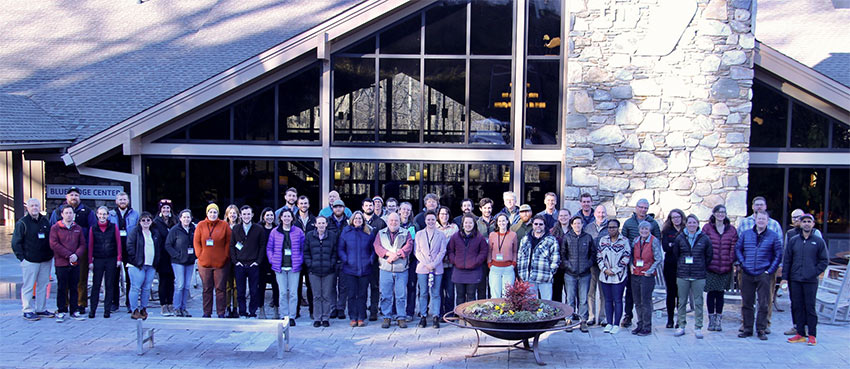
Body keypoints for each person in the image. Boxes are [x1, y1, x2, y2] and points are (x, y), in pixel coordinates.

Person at [736, 196, 784, 334]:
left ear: (767, 220)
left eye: (763, 219)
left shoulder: (774, 232)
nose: (761, 220)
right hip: (747, 271)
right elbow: (738, 248)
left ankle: (762, 328)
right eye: (756, 205)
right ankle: (747, 327)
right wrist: (742, 263)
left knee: (764, 302)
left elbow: (778, 252)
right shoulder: (746, 230)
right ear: (754, 220)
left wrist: (771, 270)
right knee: (747, 302)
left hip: (765, 272)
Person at [49, 187, 96, 315]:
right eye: (71, 195)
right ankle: (63, 306)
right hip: (62, 255)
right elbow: (53, 237)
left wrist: (79, 252)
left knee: (80, 279)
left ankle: (80, 304)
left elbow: (92, 231)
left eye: (76, 195)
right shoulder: (57, 212)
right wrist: (67, 253)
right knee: (63, 282)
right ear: (66, 197)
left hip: (80, 252)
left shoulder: (87, 211)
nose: (74, 197)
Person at [784, 214, 828, 346]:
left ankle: (812, 335)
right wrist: (785, 278)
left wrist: (813, 272)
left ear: (813, 224)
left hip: (810, 281)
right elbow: (787, 260)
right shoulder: (794, 240)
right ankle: (800, 333)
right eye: (804, 222)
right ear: (800, 224)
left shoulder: (818, 241)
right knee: (797, 306)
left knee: (809, 307)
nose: (807, 224)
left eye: (809, 221)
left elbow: (824, 260)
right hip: (795, 280)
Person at [12, 198, 54, 321]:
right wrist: (22, 258)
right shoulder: (22, 223)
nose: (34, 208)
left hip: (45, 260)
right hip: (30, 261)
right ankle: (27, 309)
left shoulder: (45, 221)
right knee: (29, 286)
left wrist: (50, 254)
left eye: (36, 205)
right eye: (32, 206)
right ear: (27, 208)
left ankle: (40, 308)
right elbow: (16, 242)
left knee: (43, 285)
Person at [620, 198, 660, 328]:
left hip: (647, 267)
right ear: (636, 207)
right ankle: (629, 317)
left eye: (645, 208)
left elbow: (657, 243)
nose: (643, 210)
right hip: (633, 265)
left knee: (645, 298)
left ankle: (646, 324)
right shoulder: (629, 223)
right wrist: (629, 263)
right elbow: (624, 241)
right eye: (641, 207)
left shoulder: (653, 223)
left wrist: (650, 269)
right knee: (632, 294)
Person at [673, 214, 713, 339]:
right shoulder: (680, 238)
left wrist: (700, 265)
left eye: (694, 222)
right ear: (686, 224)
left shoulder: (704, 238)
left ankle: (698, 327)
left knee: (699, 302)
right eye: (689, 222)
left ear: (697, 224)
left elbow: (709, 255)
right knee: (682, 302)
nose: (691, 225)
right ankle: (681, 325)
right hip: (683, 274)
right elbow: (676, 254)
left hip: (698, 275)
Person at [374, 212, 414, 328]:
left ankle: (401, 317)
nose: (393, 222)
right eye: (391, 220)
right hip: (385, 268)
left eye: (396, 220)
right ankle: (387, 317)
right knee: (386, 294)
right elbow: (377, 246)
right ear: (387, 221)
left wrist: (397, 255)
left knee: (401, 295)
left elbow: (409, 246)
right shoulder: (380, 233)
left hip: (401, 269)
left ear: (399, 221)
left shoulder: (405, 233)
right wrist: (387, 254)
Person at [267, 210, 305, 326]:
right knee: (282, 292)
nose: (287, 218)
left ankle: (292, 316)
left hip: (294, 267)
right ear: (281, 218)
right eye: (285, 216)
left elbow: (303, 248)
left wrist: (300, 259)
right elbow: (269, 248)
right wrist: (272, 260)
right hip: (280, 267)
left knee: (293, 293)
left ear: (292, 218)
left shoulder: (298, 232)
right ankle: (284, 315)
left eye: (289, 216)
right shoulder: (275, 232)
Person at [49, 204, 87, 322]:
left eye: (71, 213)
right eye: (66, 213)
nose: (69, 215)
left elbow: (82, 244)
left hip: (75, 263)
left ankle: (74, 310)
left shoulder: (77, 228)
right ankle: (61, 310)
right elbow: (54, 244)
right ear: (62, 214)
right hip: (61, 263)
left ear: (74, 214)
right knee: (62, 287)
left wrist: (76, 255)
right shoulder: (56, 228)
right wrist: (68, 255)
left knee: (74, 287)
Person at [193, 203, 232, 318]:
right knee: (206, 288)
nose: (212, 214)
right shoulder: (201, 225)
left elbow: (228, 242)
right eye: (210, 212)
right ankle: (207, 312)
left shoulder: (224, 225)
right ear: (207, 213)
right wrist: (199, 255)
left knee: (220, 288)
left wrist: (225, 256)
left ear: (218, 213)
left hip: (220, 263)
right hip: (204, 263)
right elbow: (196, 241)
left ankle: (221, 312)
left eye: (215, 212)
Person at [702, 205, 737, 332]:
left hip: (725, 266)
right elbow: (703, 244)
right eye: (718, 212)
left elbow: (734, 246)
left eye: (723, 212)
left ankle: (718, 320)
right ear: (714, 214)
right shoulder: (707, 228)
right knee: (711, 293)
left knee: (720, 294)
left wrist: (730, 259)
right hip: (711, 266)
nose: (721, 214)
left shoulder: (731, 230)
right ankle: (711, 320)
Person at [338, 210, 374, 327]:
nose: (358, 220)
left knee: (362, 294)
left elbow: (373, 249)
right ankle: (353, 317)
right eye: (356, 218)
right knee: (352, 294)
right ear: (352, 220)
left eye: (360, 219)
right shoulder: (346, 232)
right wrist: (345, 259)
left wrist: (370, 260)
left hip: (365, 268)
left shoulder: (368, 232)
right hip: (350, 269)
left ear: (363, 220)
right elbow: (341, 248)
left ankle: (361, 317)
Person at [126, 212, 164, 320]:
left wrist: (156, 261)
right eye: (143, 220)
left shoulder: (155, 233)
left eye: (148, 220)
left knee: (147, 288)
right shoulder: (135, 232)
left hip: (150, 265)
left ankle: (143, 309)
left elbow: (158, 248)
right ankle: (134, 310)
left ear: (152, 221)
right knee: (135, 287)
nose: (146, 222)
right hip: (137, 265)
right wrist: (136, 261)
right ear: (139, 222)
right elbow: (129, 247)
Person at [303, 216, 339, 327]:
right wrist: (310, 264)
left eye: (323, 223)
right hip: (314, 271)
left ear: (326, 224)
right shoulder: (309, 236)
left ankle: (326, 317)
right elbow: (306, 252)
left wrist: (331, 264)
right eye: (319, 223)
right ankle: (317, 318)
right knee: (317, 295)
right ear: (315, 224)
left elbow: (334, 252)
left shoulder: (332, 236)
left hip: (329, 271)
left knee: (326, 295)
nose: (321, 225)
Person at [87, 206, 122, 319]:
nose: (102, 216)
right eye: (100, 214)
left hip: (111, 258)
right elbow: (90, 245)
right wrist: (90, 261)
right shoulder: (93, 228)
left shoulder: (113, 227)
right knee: (96, 285)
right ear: (97, 215)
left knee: (109, 284)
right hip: (98, 259)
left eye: (104, 214)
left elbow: (118, 243)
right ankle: (93, 309)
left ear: (108, 215)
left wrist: (118, 258)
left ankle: (107, 310)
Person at [561, 215, 595, 332]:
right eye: (575, 223)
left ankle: (583, 321)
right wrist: (569, 266)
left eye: (579, 223)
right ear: (571, 225)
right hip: (570, 274)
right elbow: (563, 255)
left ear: (582, 224)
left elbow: (593, 254)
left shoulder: (588, 238)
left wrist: (587, 265)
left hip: (585, 274)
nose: (577, 225)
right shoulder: (567, 237)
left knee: (583, 299)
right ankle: (568, 320)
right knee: (570, 298)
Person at [414, 210, 447, 328]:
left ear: (436, 220)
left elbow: (442, 251)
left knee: (436, 293)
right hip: (423, 267)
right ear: (425, 220)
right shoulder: (419, 234)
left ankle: (435, 316)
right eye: (428, 219)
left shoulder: (441, 234)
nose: (431, 222)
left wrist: (433, 264)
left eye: (433, 219)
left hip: (436, 268)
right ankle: (423, 316)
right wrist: (427, 263)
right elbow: (417, 251)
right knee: (423, 293)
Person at [629, 221, 663, 336]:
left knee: (645, 301)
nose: (644, 231)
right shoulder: (636, 240)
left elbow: (658, 258)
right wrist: (631, 265)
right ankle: (640, 323)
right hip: (636, 273)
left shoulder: (654, 241)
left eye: (646, 229)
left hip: (647, 275)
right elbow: (631, 255)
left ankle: (647, 326)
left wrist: (650, 270)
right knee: (637, 301)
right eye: (642, 229)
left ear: (649, 230)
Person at [230, 205, 265, 318]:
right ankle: (242, 311)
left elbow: (262, 246)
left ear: (252, 215)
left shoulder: (258, 229)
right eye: (244, 214)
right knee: (240, 291)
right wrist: (235, 261)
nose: (246, 216)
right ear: (240, 215)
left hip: (253, 264)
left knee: (254, 290)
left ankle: (252, 311)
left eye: (248, 214)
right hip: (240, 264)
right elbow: (232, 246)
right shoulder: (236, 229)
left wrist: (258, 261)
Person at [107, 191, 139, 313]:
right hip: (114, 249)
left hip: (129, 249)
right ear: (116, 201)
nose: (122, 202)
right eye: (120, 200)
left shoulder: (134, 214)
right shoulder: (111, 214)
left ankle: (130, 303)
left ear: (128, 201)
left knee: (130, 277)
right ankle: (114, 303)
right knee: (113, 277)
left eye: (124, 199)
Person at [597, 219, 630, 334]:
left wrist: (615, 270)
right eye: (610, 227)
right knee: (608, 300)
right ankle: (609, 322)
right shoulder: (603, 240)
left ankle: (616, 324)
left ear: (618, 228)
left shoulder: (624, 241)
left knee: (618, 300)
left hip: (619, 276)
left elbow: (626, 257)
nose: (611, 229)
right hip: (605, 276)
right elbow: (599, 256)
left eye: (614, 227)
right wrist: (604, 269)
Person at [448, 214, 489, 305]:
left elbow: (484, 251)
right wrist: (455, 261)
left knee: (471, 295)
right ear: (462, 224)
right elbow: (450, 250)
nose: (468, 225)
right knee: (460, 296)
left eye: (470, 223)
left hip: (473, 271)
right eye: (466, 223)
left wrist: (476, 262)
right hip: (459, 271)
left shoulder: (479, 237)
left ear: (474, 224)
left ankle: (470, 317)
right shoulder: (455, 236)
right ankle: (460, 317)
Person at [517, 215, 560, 300]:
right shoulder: (525, 239)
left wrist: (550, 273)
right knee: (530, 304)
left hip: (545, 277)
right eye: (536, 224)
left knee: (547, 304)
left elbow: (555, 259)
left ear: (544, 226)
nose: (538, 226)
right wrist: (521, 273)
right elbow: (520, 256)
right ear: (532, 225)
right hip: (529, 278)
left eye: (541, 224)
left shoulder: (551, 240)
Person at [164, 209, 196, 317]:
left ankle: (184, 308)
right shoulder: (175, 230)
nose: (186, 219)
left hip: (190, 261)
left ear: (191, 218)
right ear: (180, 218)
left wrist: (195, 255)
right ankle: (176, 308)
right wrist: (176, 255)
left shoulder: (193, 229)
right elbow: (168, 245)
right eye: (184, 217)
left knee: (187, 286)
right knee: (180, 285)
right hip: (178, 262)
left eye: (188, 217)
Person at [583, 205, 608, 326]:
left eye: (603, 212)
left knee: (603, 292)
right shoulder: (588, 227)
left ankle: (603, 317)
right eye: (599, 212)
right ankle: (591, 316)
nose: (601, 215)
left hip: (605, 265)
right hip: (592, 264)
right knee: (590, 291)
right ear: (594, 214)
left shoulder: (610, 228)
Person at [660, 208, 685, 328]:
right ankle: (670, 320)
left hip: (683, 266)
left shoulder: (686, 230)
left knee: (681, 293)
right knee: (671, 293)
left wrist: (673, 244)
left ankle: (680, 320)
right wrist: (677, 245)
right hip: (670, 265)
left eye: (678, 217)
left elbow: (687, 247)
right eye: (673, 217)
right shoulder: (666, 231)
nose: (676, 219)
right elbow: (666, 247)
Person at [362, 198, 385, 321]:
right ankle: (362, 309)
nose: (369, 207)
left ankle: (374, 311)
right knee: (362, 287)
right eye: (366, 205)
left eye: (370, 205)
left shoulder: (380, 222)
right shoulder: (358, 221)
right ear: (362, 207)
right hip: (361, 260)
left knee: (375, 287)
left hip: (376, 260)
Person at [153, 199, 177, 317]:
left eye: (168, 208)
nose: (166, 210)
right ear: (160, 209)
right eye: (164, 208)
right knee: (163, 281)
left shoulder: (175, 221)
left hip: (173, 255)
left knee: (171, 281)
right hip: (162, 256)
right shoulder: (156, 222)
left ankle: (170, 303)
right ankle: (163, 305)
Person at [292, 196, 315, 321]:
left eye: (305, 203)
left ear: (309, 204)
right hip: (297, 257)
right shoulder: (293, 220)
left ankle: (312, 311)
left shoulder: (314, 220)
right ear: (297, 205)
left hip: (310, 257)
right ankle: (295, 311)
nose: (303, 205)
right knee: (297, 286)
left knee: (311, 286)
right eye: (301, 203)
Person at [326, 199, 349, 319]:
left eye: (340, 207)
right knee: (331, 285)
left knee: (343, 286)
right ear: (332, 209)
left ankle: (341, 308)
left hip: (345, 258)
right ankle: (333, 308)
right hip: (331, 258)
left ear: (344, 208)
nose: (338, 209)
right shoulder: (327, 222)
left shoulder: (348, 222)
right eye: (336, 207)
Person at [487, 213, 518, 298]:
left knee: (507, 295)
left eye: (503, 220)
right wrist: (489, 264)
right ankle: (496, 311)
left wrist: (513, 264)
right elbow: (489, 251)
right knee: (495, 294)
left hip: (508, 268)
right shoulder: (492, 235)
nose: (502, 223)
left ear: (507, 221)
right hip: (495, 268)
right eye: (499, 221)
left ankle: (507, 311)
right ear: (497, 223)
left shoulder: (513, 235)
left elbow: (515, 251)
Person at [257, 208, 280, 319]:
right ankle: (261, 309)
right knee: (261, 286)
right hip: (262, 262)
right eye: (267, 215)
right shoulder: (258, 228)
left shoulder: (277, 229)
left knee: (276, 287)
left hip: (274, 262)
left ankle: (276, 309)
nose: (270, 217)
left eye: (271, 215)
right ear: (263, 216)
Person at [438, 207, 460, 315]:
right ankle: (440, 312)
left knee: (450, 290)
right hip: (438, 264)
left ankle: (449, 312)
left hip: (451, 264)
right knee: (438, 290)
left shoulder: (455, 228)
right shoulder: (434, 227)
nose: (444, 216)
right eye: (442, 214)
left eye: (446, 214)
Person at [398, 202, 418, 319]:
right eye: (404, 209)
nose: (406, 212)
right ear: (399, 210)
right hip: (398, 261)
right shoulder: (394, 223)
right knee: (398, 288)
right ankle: (397, 311)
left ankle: (410, 311)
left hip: (411, 261)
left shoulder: (414, 226)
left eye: (408, 210)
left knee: (411, 286)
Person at [550, 208, 572, 304]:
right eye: (561, 216)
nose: (563, 218)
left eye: (565, 215)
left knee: (570, 292)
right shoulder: (552, 231)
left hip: (571, 265)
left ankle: (570, 313)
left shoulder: (574, 230)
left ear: (570, 217)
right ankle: (558, 312)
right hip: (557, 266)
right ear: (558, 218)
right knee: (556, 291)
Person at [223, 204, 240, 318]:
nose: (232, 215)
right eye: (230, 213)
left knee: (236, 285)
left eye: (234, 213)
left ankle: (235, 308)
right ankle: (227, 307)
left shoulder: (240, 226)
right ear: (227, 215)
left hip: (238, 259)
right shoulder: (223, 226)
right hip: (226, 259)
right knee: (227, 285)